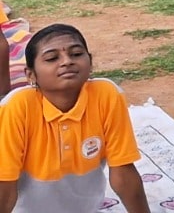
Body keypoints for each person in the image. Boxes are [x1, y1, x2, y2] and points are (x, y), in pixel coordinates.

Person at [0, 24, 152, 213]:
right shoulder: (16, 106)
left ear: (91, 62)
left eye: (76, 54)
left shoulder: (107, 95)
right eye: (52, 58)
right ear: (31, 75)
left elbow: (122, 171)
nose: (66, 62)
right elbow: (5, 182)